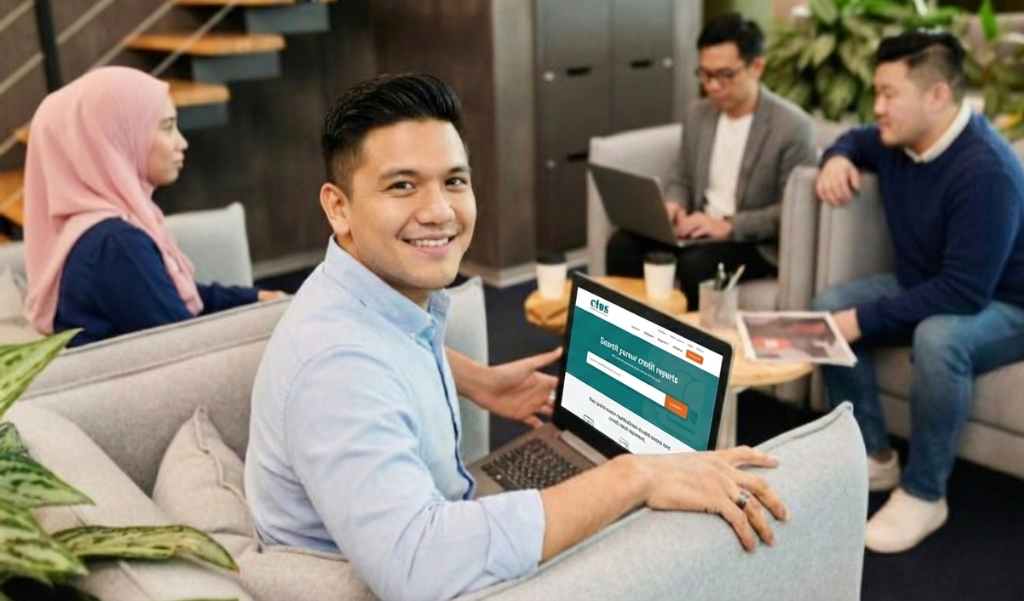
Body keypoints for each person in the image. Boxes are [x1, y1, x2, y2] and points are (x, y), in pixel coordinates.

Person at [245, 73, 789, 601]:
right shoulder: (337, 370)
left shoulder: (361, 301)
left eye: (454, 181)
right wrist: (634, 475)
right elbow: (418, 567)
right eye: (402, 185)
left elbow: (386, 349)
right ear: (338, 207)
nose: (439, 211)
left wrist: (474, 380)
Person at [813, 31, 1024, 553]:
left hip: (1005, 302)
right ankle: (875, 457)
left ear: (937, 96)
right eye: (875, 93)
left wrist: (862, 321)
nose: (877, 107)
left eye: (889, 94)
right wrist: (835, 157)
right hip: (929, 283)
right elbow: (854, 139)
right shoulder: (898, 140)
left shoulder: (987, 171)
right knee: (825, 308)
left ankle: (926, 493)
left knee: (938, 338)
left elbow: (964, 293)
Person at [22, 66, 283, 347]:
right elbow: (188, 350)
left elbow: (172, 295)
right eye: (167, 127)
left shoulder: (96, 232)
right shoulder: (114, 246)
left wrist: (255, 299)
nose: (181, 143)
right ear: (114, 139)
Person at [606, 12, 816, 306]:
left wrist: (729, 225)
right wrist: (673, 205)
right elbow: (682, 176)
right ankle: (624, 341)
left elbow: (793, 211)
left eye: (725, 75)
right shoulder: (698, 114)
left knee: (695, 266)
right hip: (697, 230)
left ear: (757, 67)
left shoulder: (792, 127)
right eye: (705, 75)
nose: (713, 86)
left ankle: (682, 349)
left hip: (751, 243)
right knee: (622, 245)